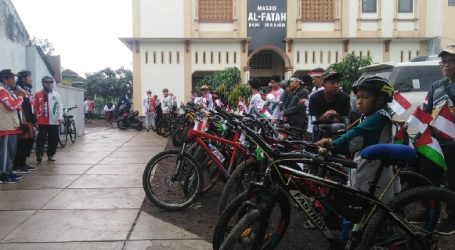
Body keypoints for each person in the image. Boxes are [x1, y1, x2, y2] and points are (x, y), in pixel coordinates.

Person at [316, 75, 397, 236]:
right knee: (365, 213)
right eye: (358, 97)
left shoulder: (378, 118)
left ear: (380, 100)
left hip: (373, 175)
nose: (359, 101)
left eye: (365, 97)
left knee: (370, 215)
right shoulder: (370, 115)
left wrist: (331, 144)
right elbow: (350, 131)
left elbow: (355, 135)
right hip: (366, 169)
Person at [421, 43, 455, 234]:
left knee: (453, 181)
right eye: (443, 61)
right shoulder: (436, 86)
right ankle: (430, 211)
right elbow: (427, 111)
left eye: (451, 61)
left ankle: (452, 217)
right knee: (427, 177)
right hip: (436, 141)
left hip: (453, 143)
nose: (446, 65)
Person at [0, 69, 26, 183]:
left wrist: (18, 98)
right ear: (5, 79)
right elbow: (11, 106)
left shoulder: (7, 91)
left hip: (11, 126)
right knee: (5, 152)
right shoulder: (2, 91)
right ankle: (3, 175)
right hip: (5, 126)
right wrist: (20, 97)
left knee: (11, 151)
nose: (14, 81)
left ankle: (9, 171)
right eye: (12, 78)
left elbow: (17, 106)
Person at [308, 70, 350, 140]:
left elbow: (346, 118)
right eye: (332, 83)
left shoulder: (345, 98)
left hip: (339, 134)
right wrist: (324, 116)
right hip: (319, 134)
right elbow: (313, 119)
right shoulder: (314, 98)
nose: (336, 86)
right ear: (323, 84)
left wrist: (336, 115)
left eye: (338, 82)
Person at [34, 76, 63, 162]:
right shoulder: (38, 94)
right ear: (43, 83)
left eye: (50, 82)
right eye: (47, 82)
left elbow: (59, 106)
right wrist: (36, 117)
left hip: (54, 121)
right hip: (42, 121)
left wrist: (60, 117)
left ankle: (51, 154)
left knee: (53, 138)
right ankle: (39, 155)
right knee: (40, 139)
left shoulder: (56, 94)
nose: (49, 84)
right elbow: (35, 106)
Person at [13, 70, 36, 173]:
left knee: (29, 141)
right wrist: (23, 120)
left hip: (29, 118)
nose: (31, 79)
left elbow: (30, 104)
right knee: (22, 142)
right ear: (23, 79)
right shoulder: (18, 90)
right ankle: (18, 164)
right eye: (29, 77)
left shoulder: (28, 89)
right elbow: (19, 106)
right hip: (23, 119)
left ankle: (23, 163)